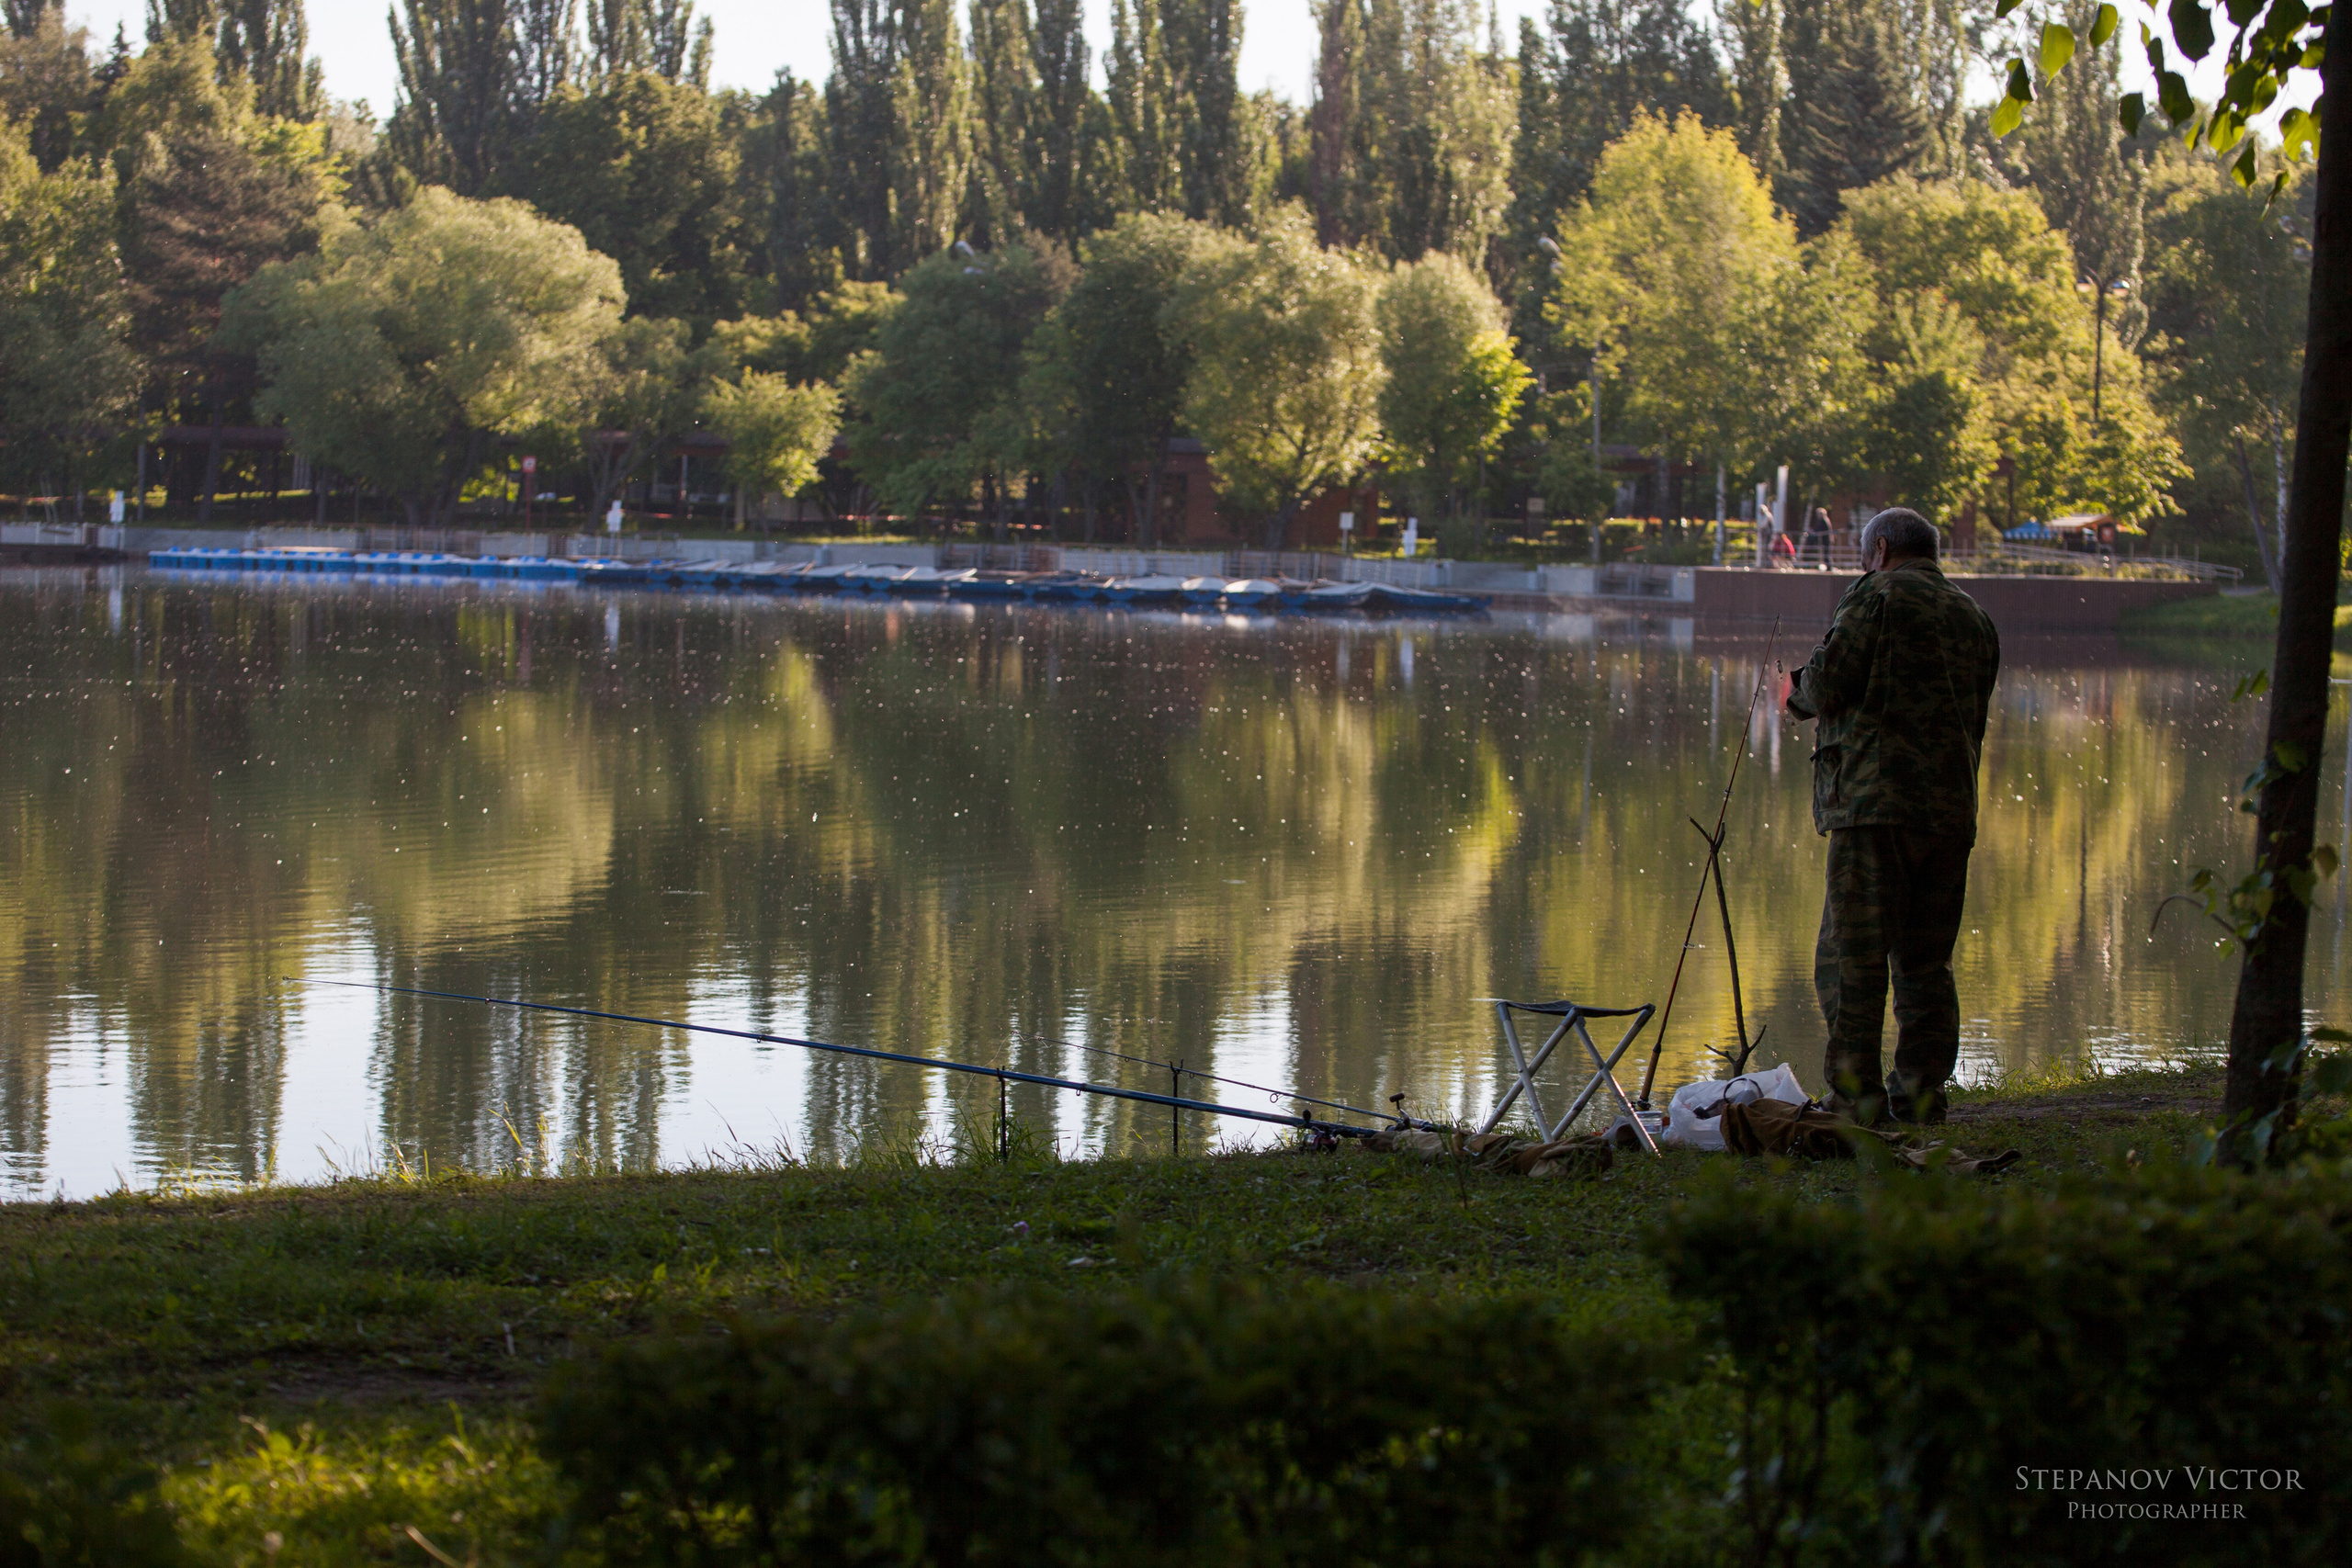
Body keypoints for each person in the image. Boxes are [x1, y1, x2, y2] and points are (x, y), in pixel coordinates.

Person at [1783, 507, 2001, 1125]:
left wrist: (1791, 693)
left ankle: (1855, 1094)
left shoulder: (1874, 597)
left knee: (1852, 954)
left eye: (1863, 554)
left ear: (1880, 549)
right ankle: (1921, 1090)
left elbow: (1828, 683)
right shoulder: (1974, 617)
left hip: (1872, 806)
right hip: (1949, 811)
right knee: (1926, 959)